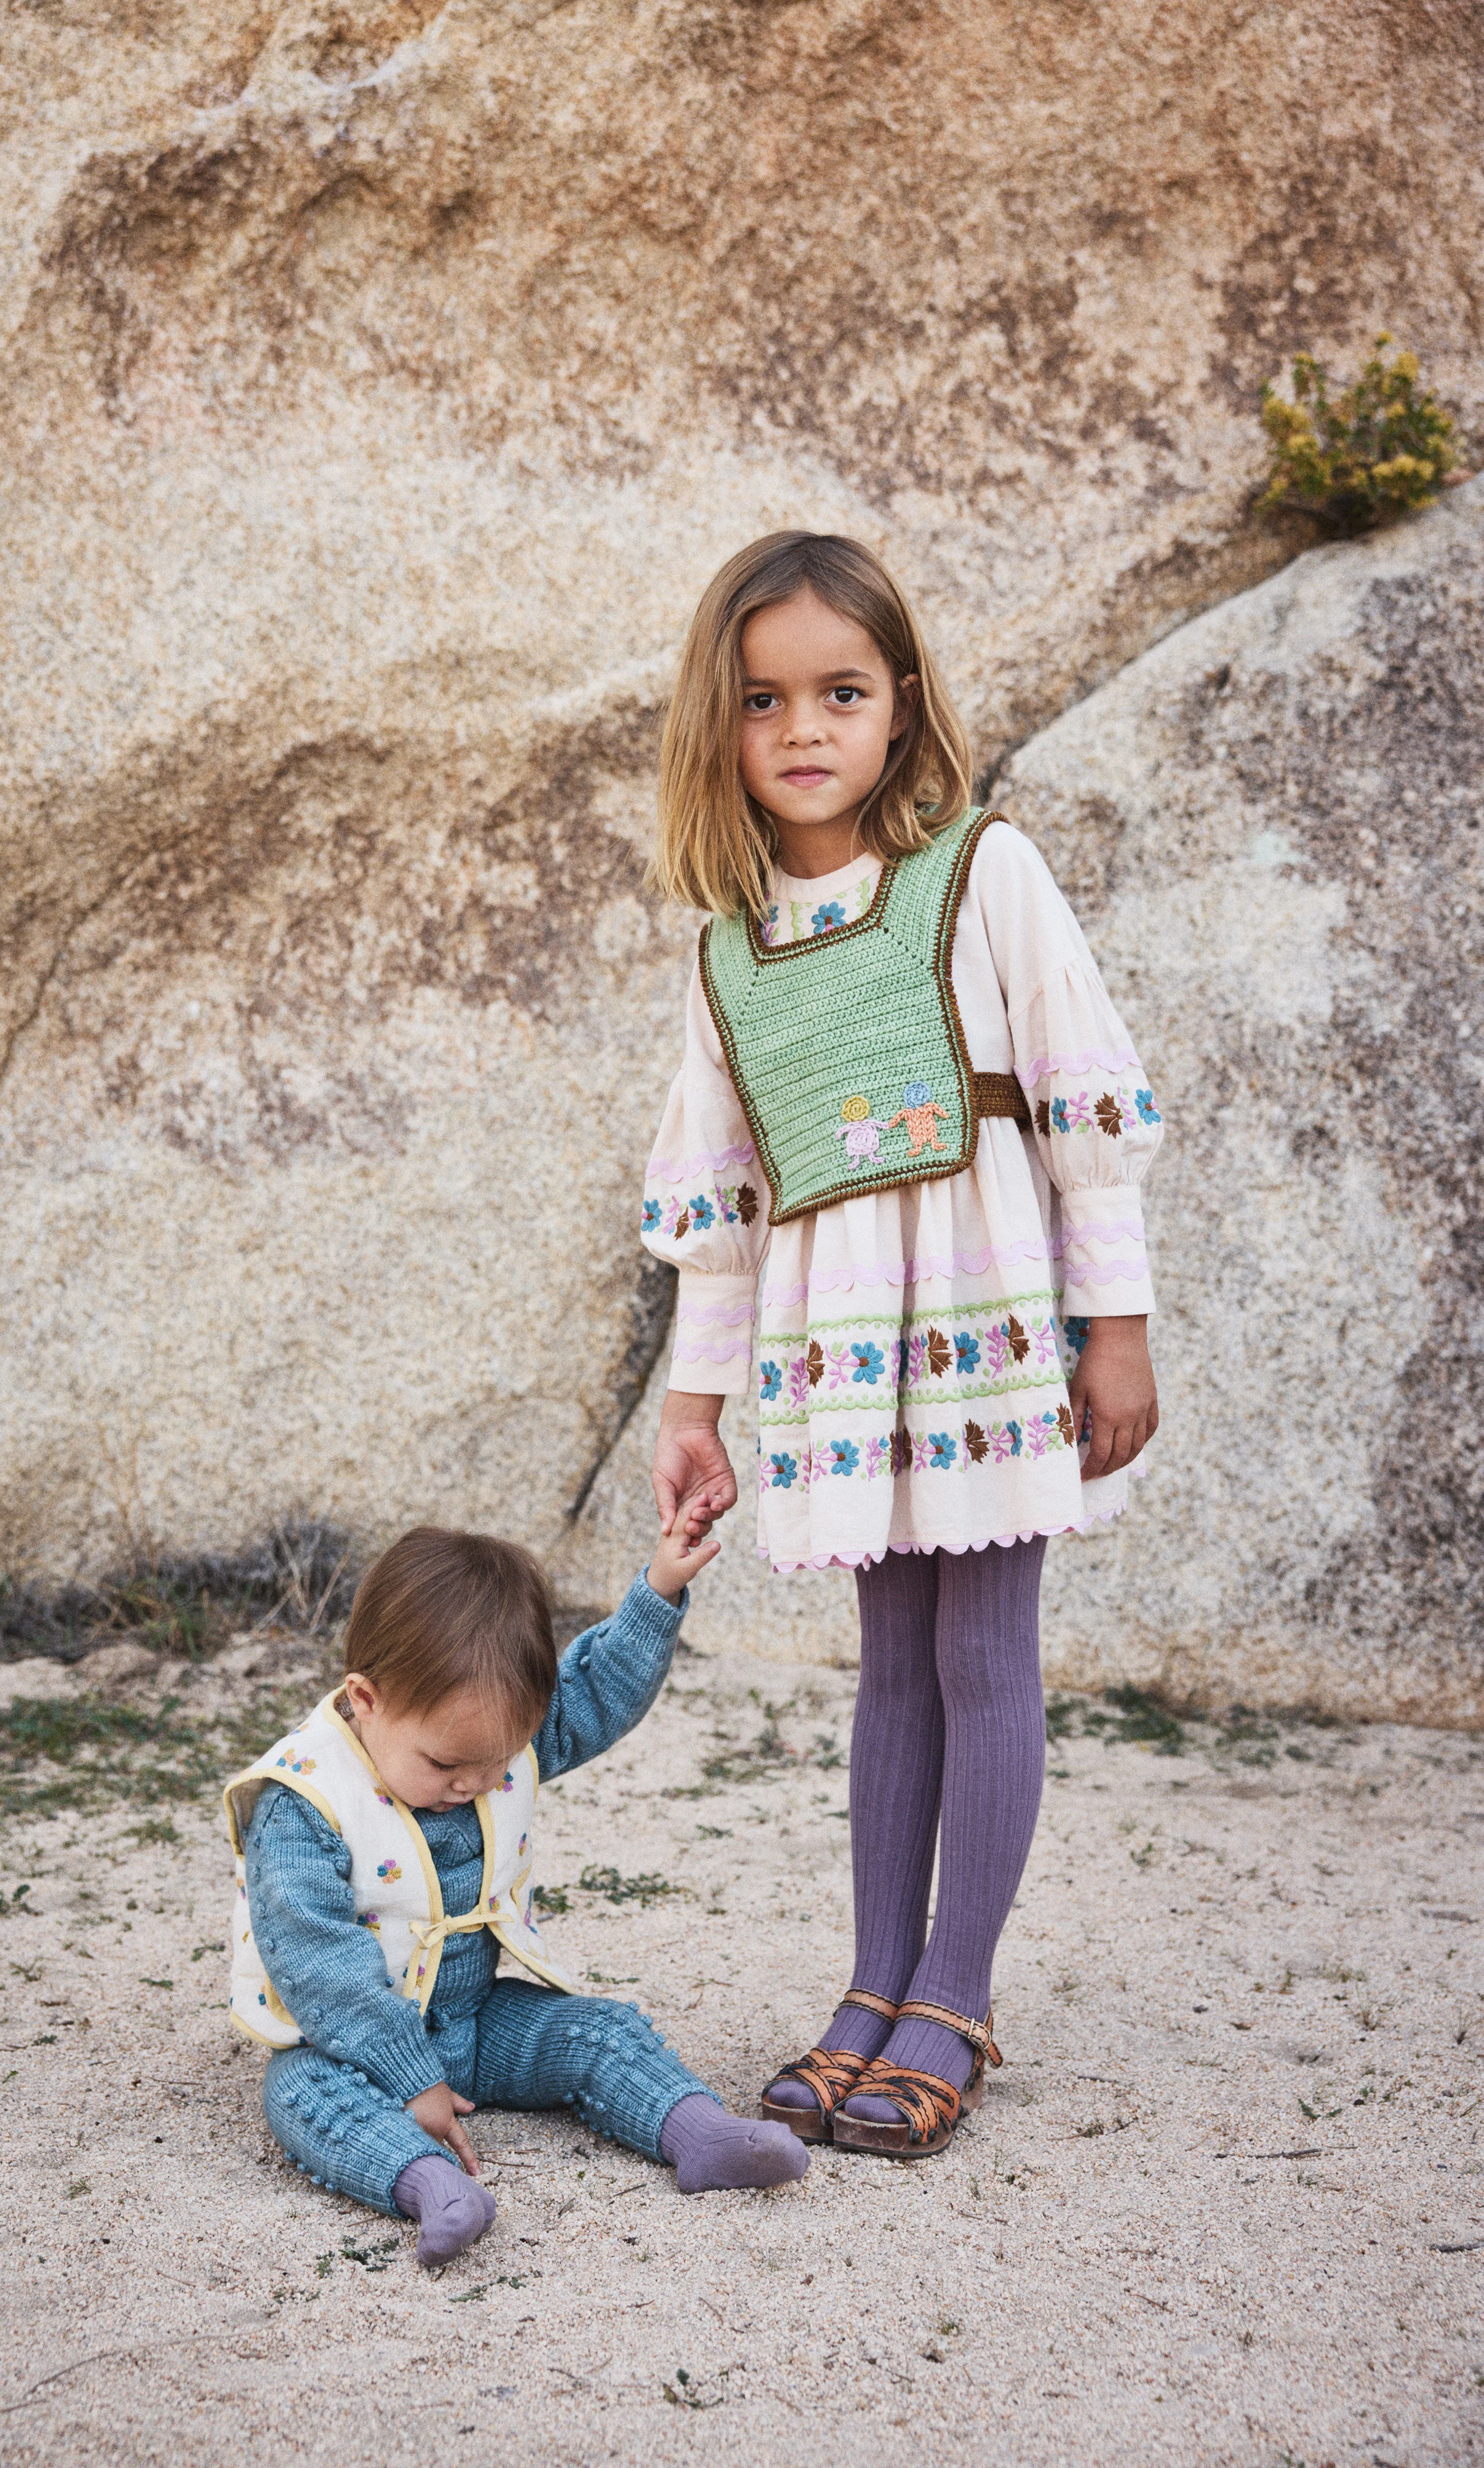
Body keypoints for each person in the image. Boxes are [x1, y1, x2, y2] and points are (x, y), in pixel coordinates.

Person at [641, 530, 1163, 2158]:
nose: (802, 727)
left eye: (840, 691)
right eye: (761, 700)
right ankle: (872, 1982)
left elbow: (1081, 1106)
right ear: (717, 726)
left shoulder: (979, 873)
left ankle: (955, 1991)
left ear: (901, 703)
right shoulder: (730, 953)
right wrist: (693, 1404)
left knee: (981, 1655)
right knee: (891, 1668)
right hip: (850, 1358)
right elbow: (726, 1205)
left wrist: (1117, 1328)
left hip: (988, 1331)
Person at [224, 1520, 808, 2266]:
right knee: (299, 2093)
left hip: (476, 2018)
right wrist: (411, 2079)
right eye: (445, 1765)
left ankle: (701, 2135)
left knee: (599, 2031)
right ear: (366, 1699)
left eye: (497, 1761)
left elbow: (594, 1691)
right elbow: (318, 1964)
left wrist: (660, 1587)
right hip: (355, 2048)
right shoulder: (303, 1801)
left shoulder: (490, 1738)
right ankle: (431, 2184)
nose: (472, 1784)